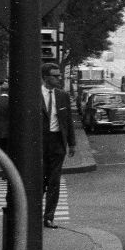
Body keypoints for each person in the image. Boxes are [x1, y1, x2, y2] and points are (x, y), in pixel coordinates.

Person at [39, 63, 76, 228]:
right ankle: (34, 214)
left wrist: (72, 143)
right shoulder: (34, 95)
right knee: (39, 180)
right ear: (46, 77)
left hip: (57, 142)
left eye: (59, 75)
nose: (59, 78)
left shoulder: (62, 96)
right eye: (55, 76)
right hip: (39, 143)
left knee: (54, 181)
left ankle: (48, 217)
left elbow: (68, 121)